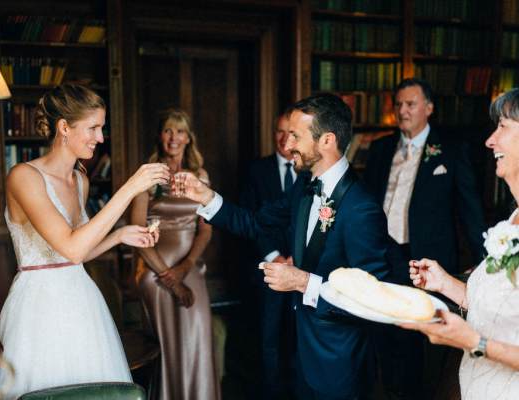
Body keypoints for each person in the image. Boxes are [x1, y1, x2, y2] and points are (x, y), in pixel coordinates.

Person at [174, 94, 390, 400]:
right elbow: (256, 223)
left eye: (296, 136)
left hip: (338, 365)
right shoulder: (304, 186)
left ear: (326, 140)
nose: (287, 147)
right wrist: (205, 197)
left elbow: (373, 298)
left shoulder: (362, 209)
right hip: (299, 353)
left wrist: (304, 282)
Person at [0, 84, 171, 399]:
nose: (100, 138)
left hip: (82, 301)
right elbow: (71, 246)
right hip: (39, 307)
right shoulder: (23, 177)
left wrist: (120, 235)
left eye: (101, 128)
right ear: (64, 127)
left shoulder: (80, 180)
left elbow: (77, 254)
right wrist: (129, 188)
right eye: (93, 128)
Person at [363, 78, 486, 399]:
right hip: (382, 255)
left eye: (411, 104)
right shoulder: (379, 149)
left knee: (423, 342)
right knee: (385, 333)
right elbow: (365, 205)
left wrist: (483, 262)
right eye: (399, 104)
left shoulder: (451, 149)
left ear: (429, 108)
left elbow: (469, 207)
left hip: (428, 261)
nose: (402, 111)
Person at [400, 88, 519, 400]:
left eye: (503, 127)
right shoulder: (511, 221)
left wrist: (473, 341)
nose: (490, 140)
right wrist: (444, 283)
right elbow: (495, 306)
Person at [130, 109, 221, 400]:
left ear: (188, 138)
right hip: (153, 265)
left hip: (189, 264)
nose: (173, 137)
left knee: (198, 328)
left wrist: (186, 267)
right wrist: (170, 278)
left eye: (179, 131)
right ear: (160, 135)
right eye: (168, 130)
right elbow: (136, 232)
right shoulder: (148, 175)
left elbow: (205, 230)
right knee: (166, 341)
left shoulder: (200, 175)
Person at [238, 113, 297, 399]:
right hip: (267, 269)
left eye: (291, 132)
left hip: (302, 270)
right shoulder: (256, 170)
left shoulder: (311, 172)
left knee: (299, 339)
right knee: (268, 340)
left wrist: (296, 260)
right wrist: (274, 258)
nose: (285, 139)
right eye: (279, 132)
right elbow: (250, 220)